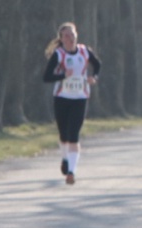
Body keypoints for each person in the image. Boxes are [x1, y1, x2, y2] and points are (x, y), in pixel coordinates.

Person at [41, 21, 100, 184]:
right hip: (61, 97)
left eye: (72, 35)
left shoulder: (84, 51)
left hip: (80, 98)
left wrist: (94, 77)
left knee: (74, 135)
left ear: (76, 36)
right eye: (66, 36)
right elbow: (46, 77)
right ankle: (65, 158)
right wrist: (63, 75)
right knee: (63, 134)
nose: (70, 38)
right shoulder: (59, 55)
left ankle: (71, 172)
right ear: (61, 38)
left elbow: (97, 65)